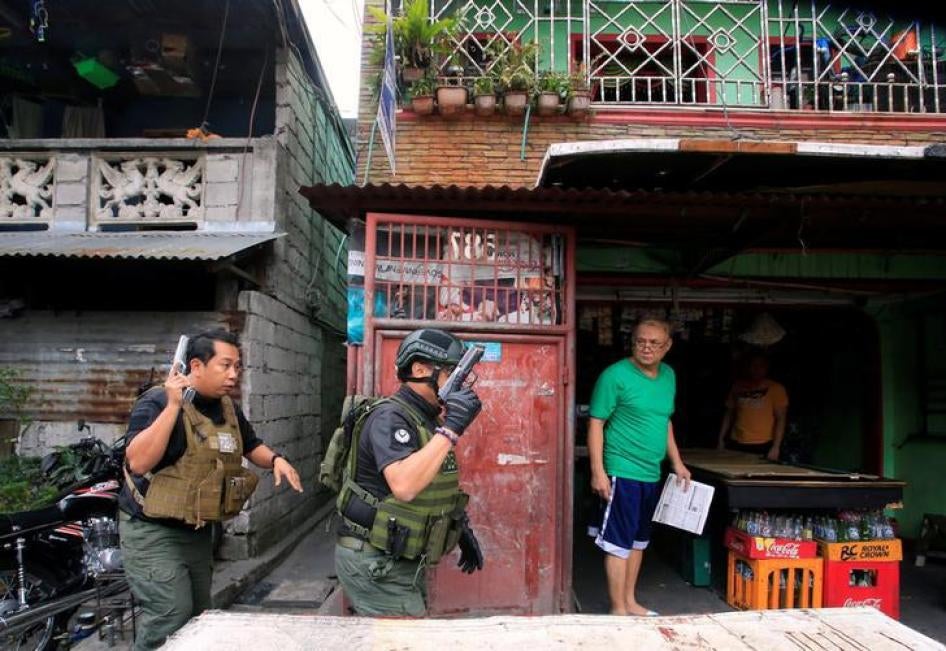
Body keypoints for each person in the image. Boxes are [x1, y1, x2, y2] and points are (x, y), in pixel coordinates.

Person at [119, 329, 303, 650]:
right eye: (225, 365)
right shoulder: (158, 400)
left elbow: (250, 444)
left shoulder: (227, 408)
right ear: (197, 366)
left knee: (198, 619)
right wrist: (173, 406)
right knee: (169, 616)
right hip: (152, 531)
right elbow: (137, 461)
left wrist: (275, 460)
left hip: (197, 531)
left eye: (238, 367)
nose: (234, 374)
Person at [334, 327, 485, 616]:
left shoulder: (424, 418)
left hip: (399, 559)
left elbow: (433, 481)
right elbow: (404, 485)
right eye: (452, 371)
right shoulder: (390, 417)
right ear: (419, 369)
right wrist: (452, 429)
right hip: (376, 561)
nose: (461, 381)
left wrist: (459, 528)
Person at [588, 318, 691, 616]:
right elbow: (596, 422)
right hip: (622, 471)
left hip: (651, 472)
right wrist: (598, 471)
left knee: (637, 541)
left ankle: (630, 602)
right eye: (641, 341)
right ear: (632, 342)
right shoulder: (615, 376)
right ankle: (618, 610)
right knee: (618, 543)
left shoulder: (668, 375)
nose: (647, 348)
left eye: (654, 343)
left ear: (667, 346)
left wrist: (678, 462)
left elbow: (664, 420)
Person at [717, 352, 789, 461]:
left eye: (761, 366)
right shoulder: (737, 386)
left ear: (766, 368)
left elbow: (781, 419)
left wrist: (776, 446)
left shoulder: (776, 388)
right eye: (753, 365)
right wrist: (721, 439)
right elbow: (729, 414)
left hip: (763, 443)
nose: (756, 369)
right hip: (737, 441)